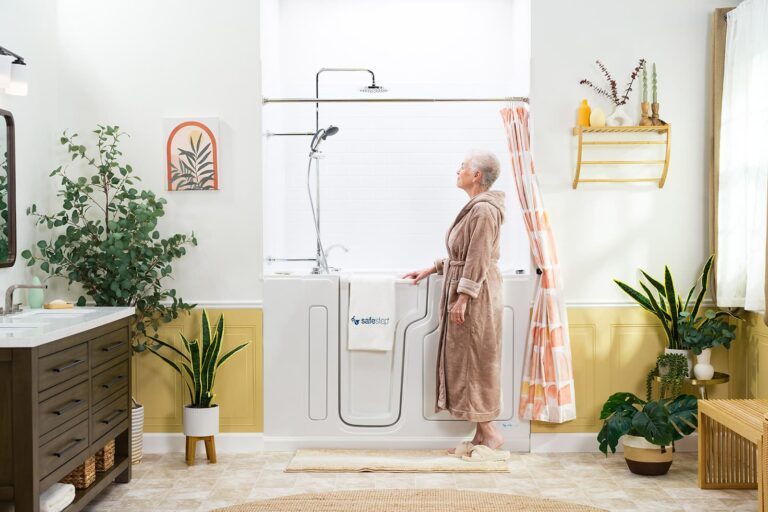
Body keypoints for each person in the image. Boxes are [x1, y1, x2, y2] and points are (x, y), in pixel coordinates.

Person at [403, 150, 506, 455]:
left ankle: (492, 434)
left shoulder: (484, 210)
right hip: (473, 289)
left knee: (475, 362)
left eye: (462, 167)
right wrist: (433, 268)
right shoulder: (476, 208)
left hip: (476, 295)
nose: (457, 171)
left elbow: (478, 256)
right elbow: (464, 253)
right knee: (468, 360)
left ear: (476, 175)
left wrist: (463, 297)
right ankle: (480, 436)